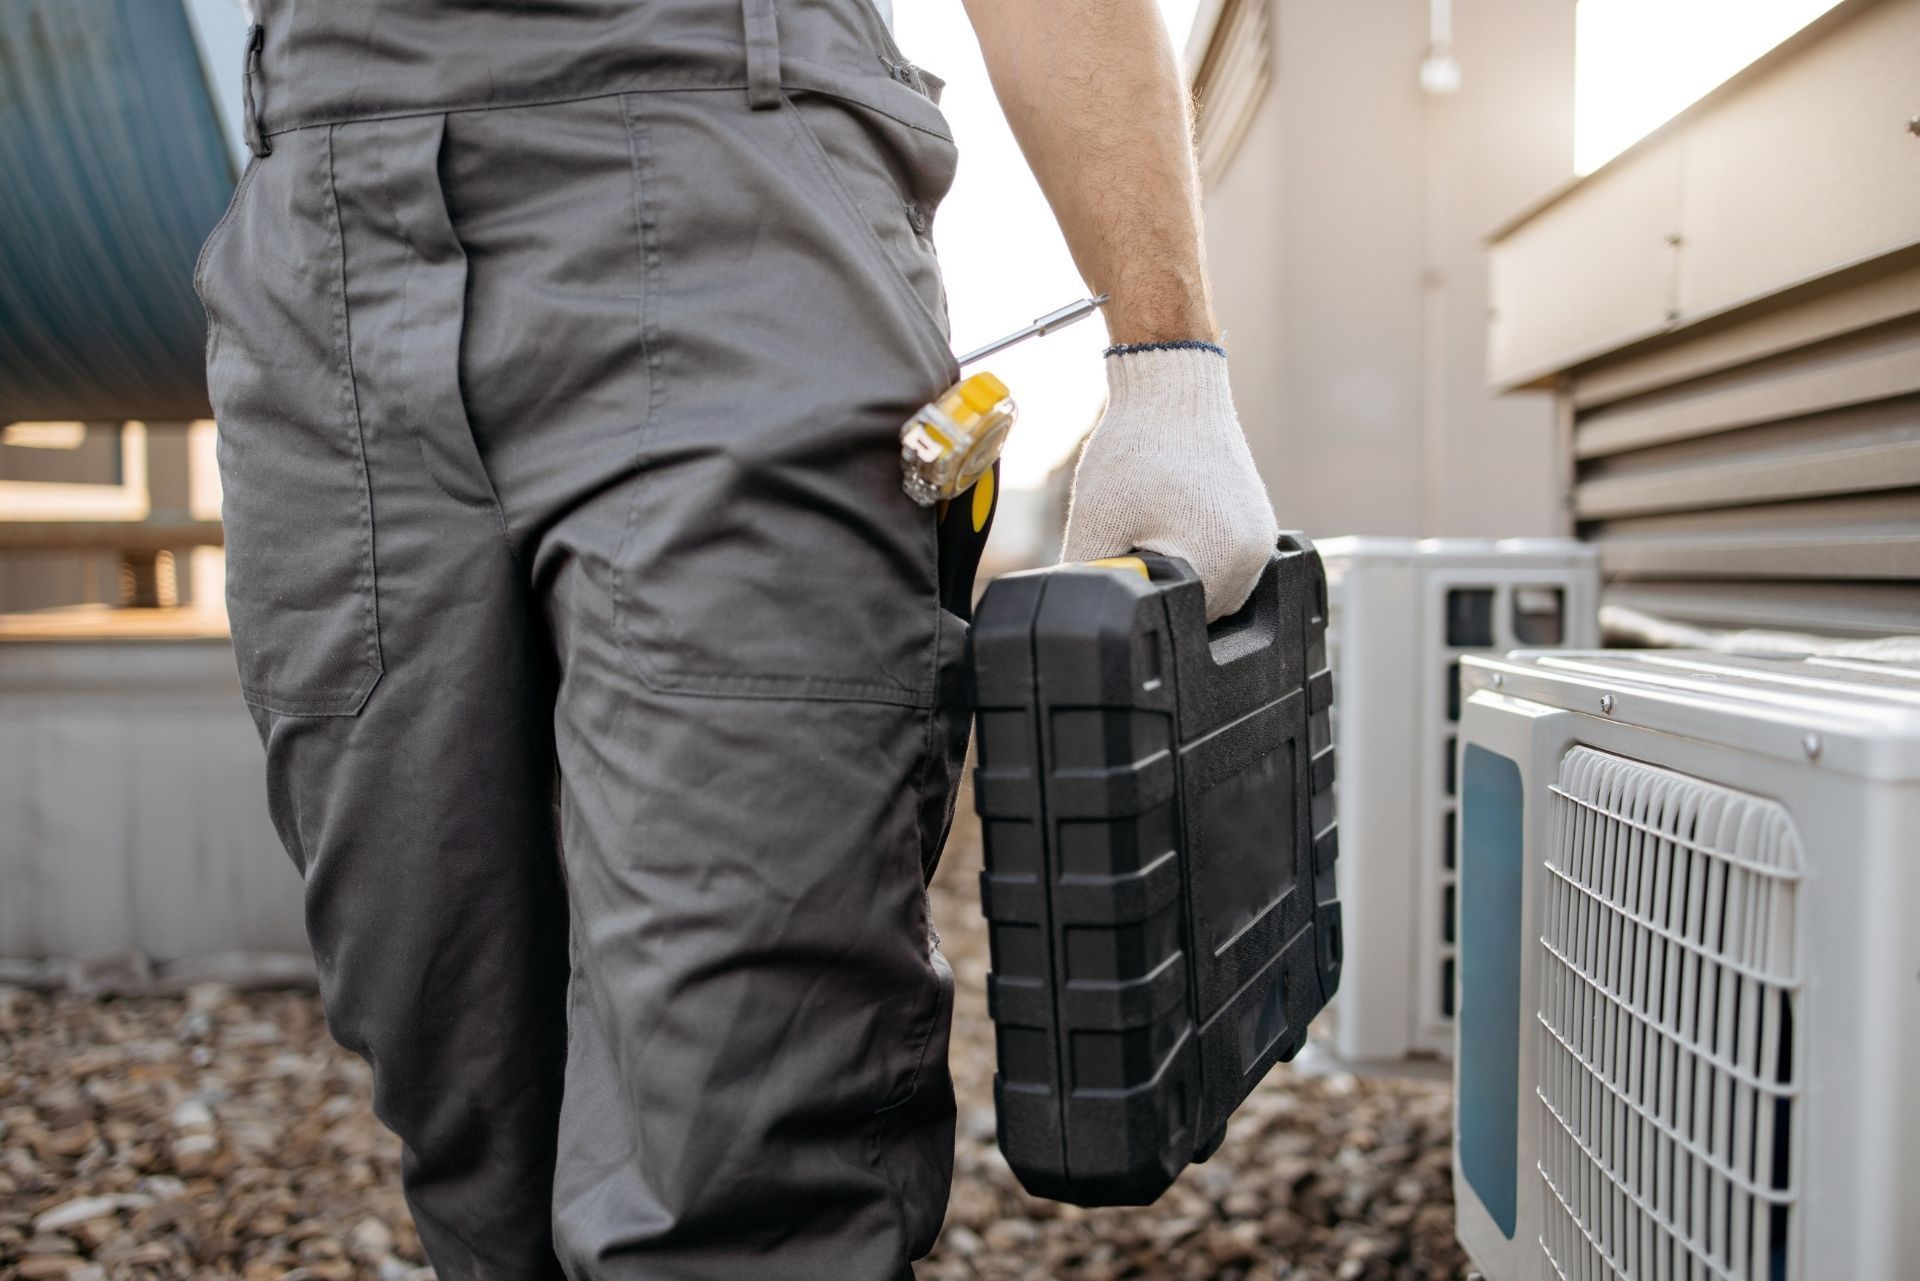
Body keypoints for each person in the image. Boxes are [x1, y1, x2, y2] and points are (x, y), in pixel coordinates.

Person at [195, 0, 1277, 1276]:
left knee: (740, 1113)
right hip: (318, 209)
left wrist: (1167, 359)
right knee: (457, 1075)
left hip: (717, 151)